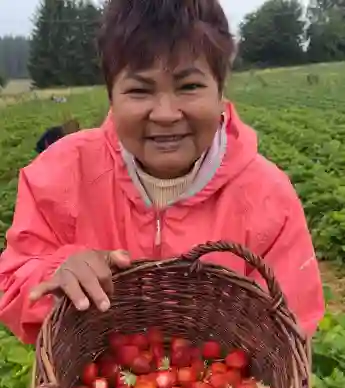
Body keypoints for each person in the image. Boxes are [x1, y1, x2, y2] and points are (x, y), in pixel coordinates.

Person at [0, 0, 324, 345]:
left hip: (218, 386)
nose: (166, 114)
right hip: (92, 383)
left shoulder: (268, 196)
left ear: (220, 90)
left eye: (189, 87)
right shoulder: (61, 173)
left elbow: (290, 327)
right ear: (111, 95)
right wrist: (59, 272)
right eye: (139, 90)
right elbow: (12, 281)